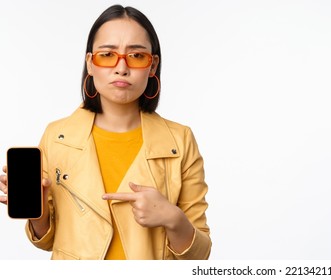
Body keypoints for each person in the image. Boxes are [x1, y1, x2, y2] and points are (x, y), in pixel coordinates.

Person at [0, 4, 211, 260]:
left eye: (136, 56)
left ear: (152, 66)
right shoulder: (57, 136)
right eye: (107, 54)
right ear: (90, 62)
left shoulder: (180, 140)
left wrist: (173, 218)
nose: (121, 67)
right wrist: (39, 211)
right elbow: (48, 241)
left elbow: (200, 256)